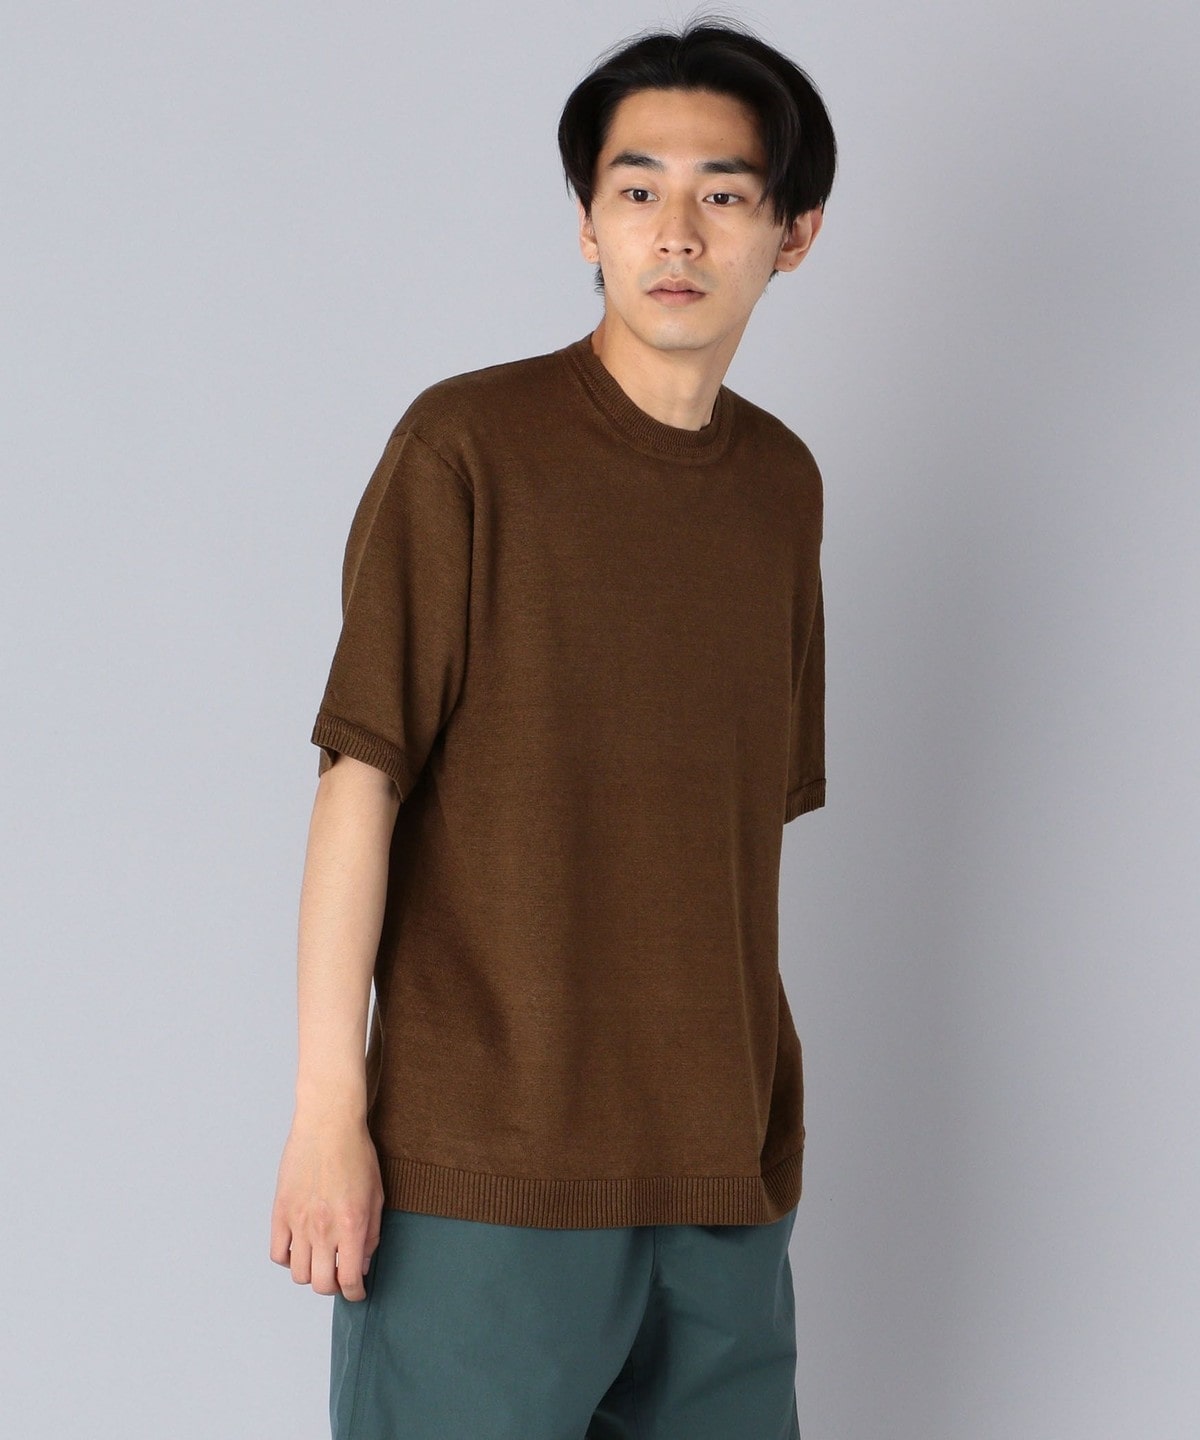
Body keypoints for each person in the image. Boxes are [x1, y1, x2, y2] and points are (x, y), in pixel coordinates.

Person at [270, 16, 837, 1439]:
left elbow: (733, 837)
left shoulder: (782, 489)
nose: (676, 230)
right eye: (637, 188)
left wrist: (755, 1149)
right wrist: (329, 1111)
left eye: (723, 192)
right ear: (588, 222)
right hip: (486, 1177)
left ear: (794, 233)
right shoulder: (467, 448)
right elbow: (360, 780)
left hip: (718, 1181)